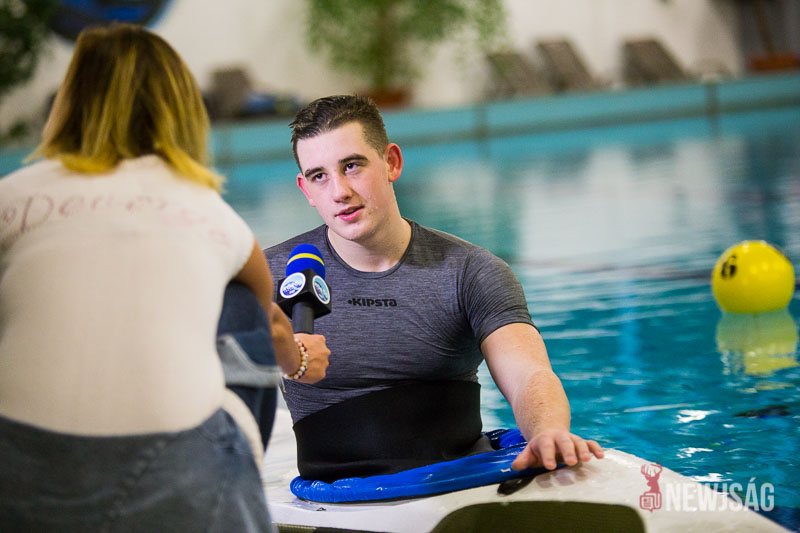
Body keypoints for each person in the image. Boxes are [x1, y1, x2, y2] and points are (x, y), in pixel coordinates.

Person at [0, 23, 329, 532]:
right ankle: (237, 499)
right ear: (180, 109)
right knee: (239, 302)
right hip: (173, 486)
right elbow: (269, 327)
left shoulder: (11, 197)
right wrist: (300, 359)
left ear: (69, 100)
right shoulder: (213, 218)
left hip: (19, 480)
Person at [265, 95, 604, 483]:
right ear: (305, 189)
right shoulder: (270, 276)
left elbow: (528, 373)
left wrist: (547, 431)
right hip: (336, 500)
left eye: (352, 166)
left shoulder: (471, 272)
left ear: (391, 162)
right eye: (319, 176)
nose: (339, 191)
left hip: (464, 485)